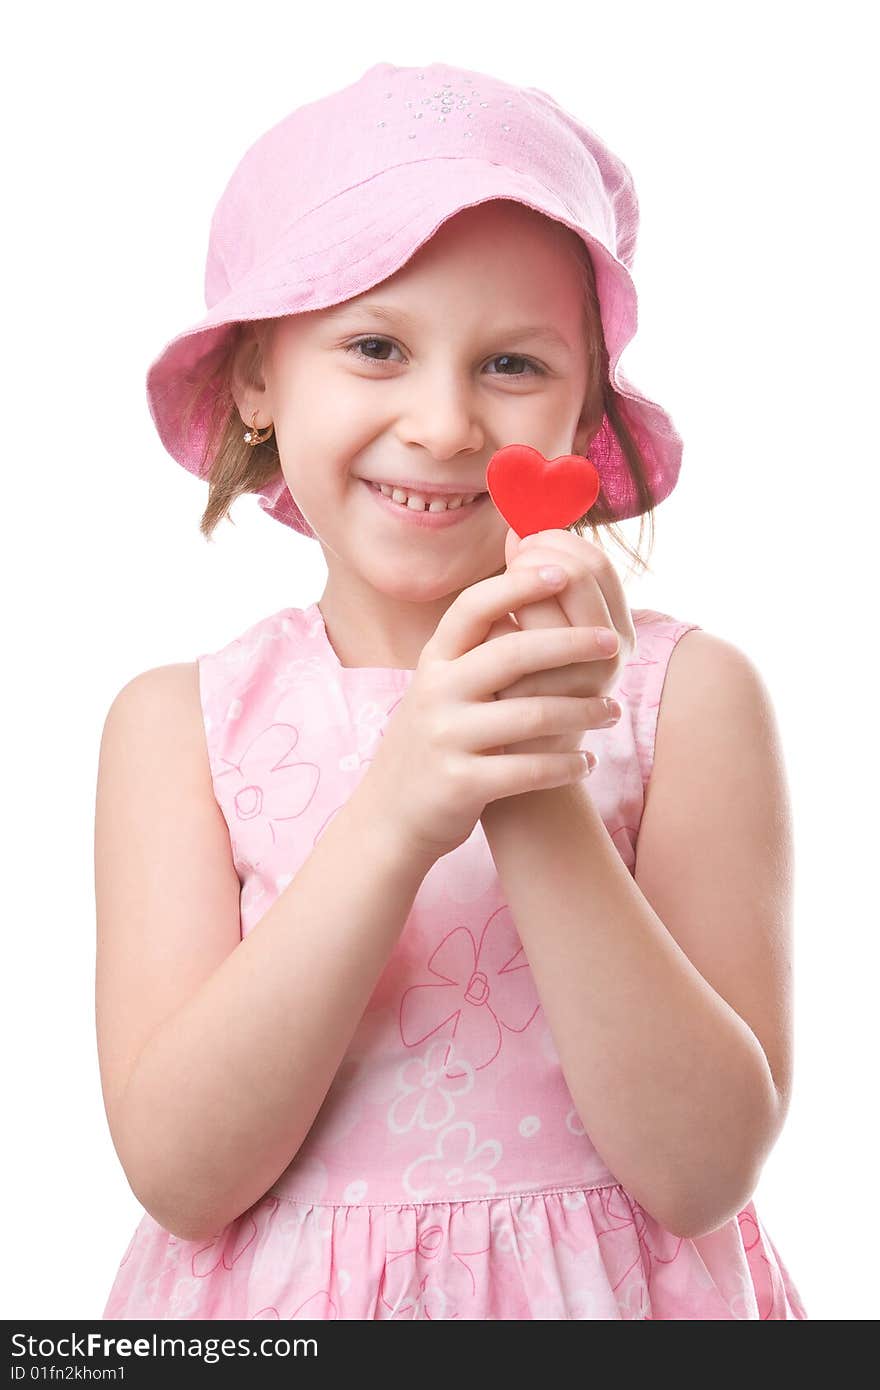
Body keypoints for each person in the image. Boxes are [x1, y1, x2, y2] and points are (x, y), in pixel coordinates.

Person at [96, 60, 807, 1320]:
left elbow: (700, 1172)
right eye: (375, 347)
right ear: (258, 380)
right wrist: (396, 809)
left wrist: (530, 778)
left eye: (513, 366)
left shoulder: (683, 700)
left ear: (586, 405)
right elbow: (182, 1173)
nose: (441, 422)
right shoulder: (179, 727)